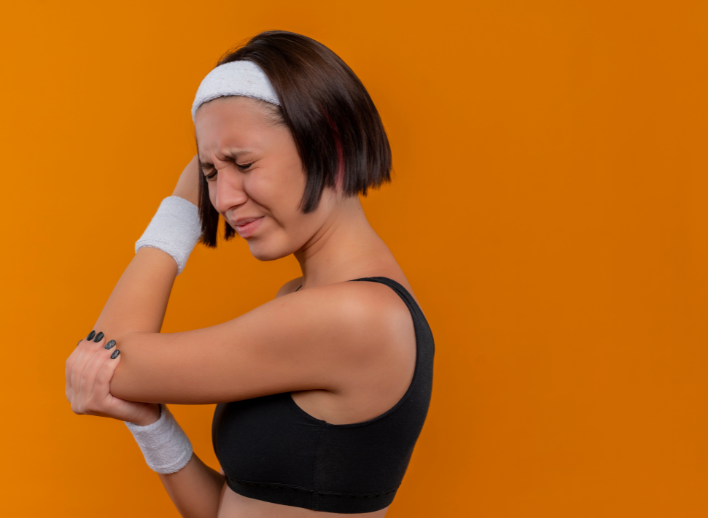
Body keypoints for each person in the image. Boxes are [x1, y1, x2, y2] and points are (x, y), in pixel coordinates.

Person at [65, 30, 434, 518]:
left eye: (243, 163)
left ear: (331, 145)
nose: (221, 199)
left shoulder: (354, 316)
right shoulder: (304, 298)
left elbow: (105, 361)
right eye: (211, 175)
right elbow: (232, 508)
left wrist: (181, 210)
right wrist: (152, 426)